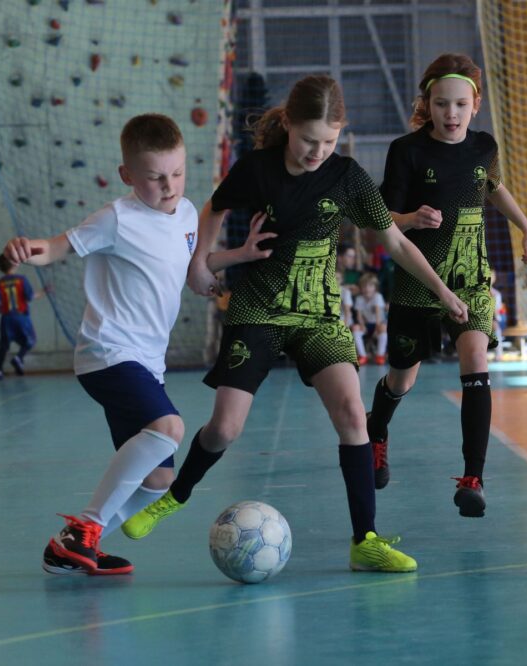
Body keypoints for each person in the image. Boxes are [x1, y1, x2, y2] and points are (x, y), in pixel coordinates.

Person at [122, 74, 469, 573]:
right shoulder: (258, 168)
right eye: (309, 140)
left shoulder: (347, 176)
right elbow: (215, 207)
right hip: (259, 308)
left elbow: (394, 241)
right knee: (224, 427)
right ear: (287, 125)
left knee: (353, 415)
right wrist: (199, 263)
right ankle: (174, 496)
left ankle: (365, 540)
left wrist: (441, 290)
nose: (317, 152)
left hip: (319, 314)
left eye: (328, 141)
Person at [3, 113, 197, 575]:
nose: (168, 186)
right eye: (154, 177)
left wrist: (238, 257)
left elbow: (187, 263)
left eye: (176, 173)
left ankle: (67, 550)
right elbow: (58, 246)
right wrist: (28, 249)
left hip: (148, 364)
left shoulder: (188, 213)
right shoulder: (116, 218)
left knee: (158, 478)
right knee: (169, 427)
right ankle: (85, 528)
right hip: (108, 352)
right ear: (127, 175)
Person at [366, 53, 527, 517]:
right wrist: (411, 217)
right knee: (402, 378)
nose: (451, 113)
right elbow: (381, 222)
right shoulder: (407, 151)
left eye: (461, 105)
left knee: (475, 359)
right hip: (418, 281)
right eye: (442, 104)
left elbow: (493, 185)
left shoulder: (484, 147)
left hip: (470, 279)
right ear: (428, 104)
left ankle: (473, 478)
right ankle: (376, 431)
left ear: (475, 105)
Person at [0, 254, 38, 380]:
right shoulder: (21, 280)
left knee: (4, 345)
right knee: (30, 340)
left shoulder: (0, 283)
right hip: (21, 317)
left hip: (6, 318)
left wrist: (1, 306)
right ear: (15, 263)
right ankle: (18, 358)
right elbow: (29, 297)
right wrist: (43, 292)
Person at [354, 272, 389, 365]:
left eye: (370, 286)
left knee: (383, 327)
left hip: (378, 323)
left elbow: (378, 314)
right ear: (360, 288)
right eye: (364, 286)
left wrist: (377, 328)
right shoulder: (359, 298)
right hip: (367, 324)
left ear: (375, 287)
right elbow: (359, 315)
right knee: (356, 328)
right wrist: (362, 325)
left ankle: (380, 355)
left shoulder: (378, 296)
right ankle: (362, 355)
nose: (367, 289)